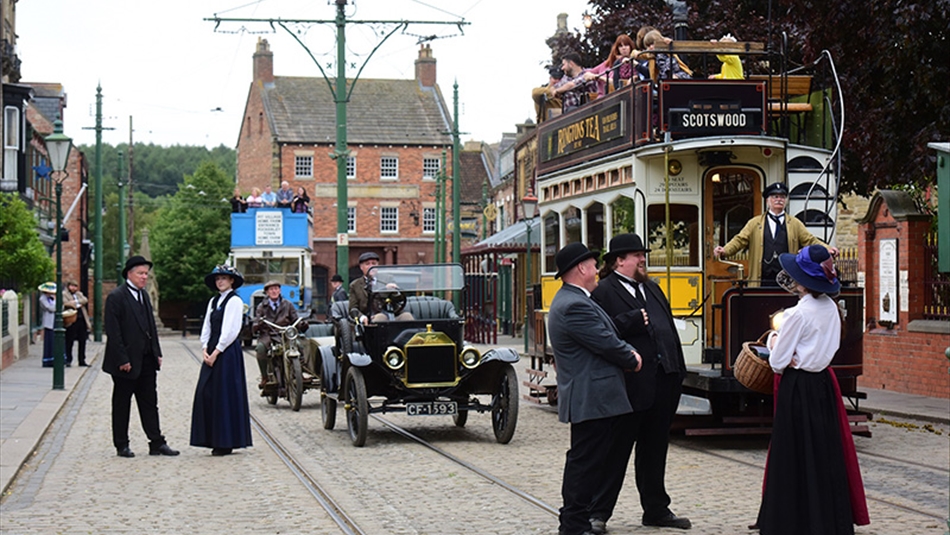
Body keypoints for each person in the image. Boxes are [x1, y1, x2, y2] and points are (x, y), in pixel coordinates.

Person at [755, 245, 869, 534]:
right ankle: (826, 519)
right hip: (823, 385)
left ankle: (794, 521)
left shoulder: (796, 314)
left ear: (801, 280)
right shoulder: (831, 308)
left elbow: (779, 362)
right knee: (824, 452)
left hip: (798, 386)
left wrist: (773, 343)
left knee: (794, 454)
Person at [590, 234, 691, 531]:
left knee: (655, 449)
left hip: (663, 381)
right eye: (637, 255)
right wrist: (629, 321)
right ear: (620, 260)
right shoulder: (603, 292)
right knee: (616, 451)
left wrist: (678, 370)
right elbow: (599, 333)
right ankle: (598, 512)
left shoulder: (652, 288)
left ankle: (656, 509)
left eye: (642, 254)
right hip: (628, 385)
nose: (643, 259)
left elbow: (667, 328)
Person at [547, 242, 643, 535]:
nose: (597, 270)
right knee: (585, 462)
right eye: (592, 264)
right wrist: (631, 356)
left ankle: (576, 520)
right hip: (591, 396)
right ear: (580, 269)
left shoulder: (577, 299)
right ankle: (573, 523)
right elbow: (604, 340)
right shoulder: (574, 304)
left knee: (589, 460)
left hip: (595, 396)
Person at [102, 256, 179, 458]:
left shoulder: (144, 296)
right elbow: (113, 332)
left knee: (149, 402)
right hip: (125, 363)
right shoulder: (116, 297)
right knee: (122, 404)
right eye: (140, 273)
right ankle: (122, 444)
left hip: (146, 360)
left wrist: (157, 352)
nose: (144, 277)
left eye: (146, 274)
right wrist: (122, 359)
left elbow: (150, 327)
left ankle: (156, 442)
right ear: (129, 274)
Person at [713, 182, 837, 285]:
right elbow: (739, 240)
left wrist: (828, 248)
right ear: (767, 201)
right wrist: (724, 250)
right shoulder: (754, 223)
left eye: (782, 197)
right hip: (761, 279)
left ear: (786, 201)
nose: (779, 200)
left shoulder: (794, 223)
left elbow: (810, 240)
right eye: (775, 197)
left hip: (787, 279)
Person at [190, 265, 253, 456]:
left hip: (226, 353)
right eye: (218, 279)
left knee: (225, 395)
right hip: (211, 350)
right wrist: (204, 348)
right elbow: (207, 326)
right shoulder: (214, 301)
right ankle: (210, 437)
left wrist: (217, 351)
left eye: (224, 278)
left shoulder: (234, 301)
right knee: (206, 392)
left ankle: (226, 440)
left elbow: (231, 330)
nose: (220, 282)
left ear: (231, 280)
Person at [253, 280, 305, 389]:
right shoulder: (261, 307)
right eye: (271, 289)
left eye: (276, 289)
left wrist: (302, 324)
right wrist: (257, 324)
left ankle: (299, 373)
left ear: (280, 290)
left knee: (299, 346)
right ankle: (264, 376)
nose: (274, 291)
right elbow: (256, 320)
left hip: (285, 333)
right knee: (260, 349)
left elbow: (295, 318)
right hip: (268, 335)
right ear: (267, 292)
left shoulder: (288, 304)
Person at [348, 251, 413, 323]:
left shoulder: (387, 279)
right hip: (369, 318)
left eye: (374, 263)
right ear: (361, 267)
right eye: (367, 264)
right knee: (380, 318)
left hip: (391, 314)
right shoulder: (355, 285)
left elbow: (399, 300)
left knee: (407, 316)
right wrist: (362, 317)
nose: (371, 266)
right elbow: (353, 308)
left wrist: (394, 290)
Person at [63, 280, 91, 367]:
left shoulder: (79, 294)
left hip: (81, 319)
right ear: (68, 286)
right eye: (72, 286)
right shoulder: (64, 294)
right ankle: (68, 359)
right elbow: (65, 303)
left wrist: (74, 302)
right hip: (71, 320)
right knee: (69, 340)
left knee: (82, 340)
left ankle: (82, 360)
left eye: (75, 286)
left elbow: (85, 299)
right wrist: (78, 303)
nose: (74, 288)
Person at [37, 282, 57, 368]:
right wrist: (57, 305)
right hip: (49, 321)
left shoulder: (52, 298)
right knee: (49, 341)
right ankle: (48, 360)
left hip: (55, 321)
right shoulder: (42, 298)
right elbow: (50, 308)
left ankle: (54, 359)